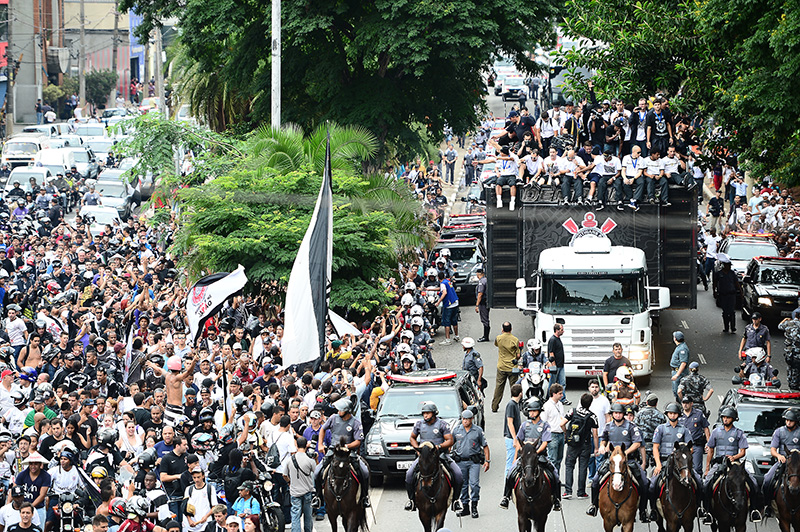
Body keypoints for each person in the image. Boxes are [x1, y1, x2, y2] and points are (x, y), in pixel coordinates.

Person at [585, 403, 650, 523]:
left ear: (623, 414)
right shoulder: (608, 426)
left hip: (628, 460)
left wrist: (624, 453)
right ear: (612, 414)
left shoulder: (631, 426)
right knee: (595, 481)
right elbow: (603, 440)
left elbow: (637, 443)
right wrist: (602, 446)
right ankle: (594, 506)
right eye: (615, 413)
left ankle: (643, 511)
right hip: (612, 461)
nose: (618, 415)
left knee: (644, 482)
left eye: (620, 413)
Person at [702, 406, 762, 524]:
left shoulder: (738, 433)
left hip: (734, 463)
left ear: (733, 419)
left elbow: (743, 452)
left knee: (753, 483)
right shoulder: (716, 432)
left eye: (728, 417)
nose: (725, 419)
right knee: (706, 485)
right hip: (719, 463)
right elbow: (711, 450)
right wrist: (708, 468)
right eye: (724, 417)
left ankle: (754, 510)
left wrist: (734, 458)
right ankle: (707, 511)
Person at [499, 399, 561, 511]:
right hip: (524, 456)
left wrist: (534, 453)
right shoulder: (524, 425)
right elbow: (518, 441)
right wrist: (515, 459)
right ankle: (506, 497)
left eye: (534, 411)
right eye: (530, 411)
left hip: (539, 455)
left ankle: (556, 499)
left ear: (539, 412)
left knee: (554, 474)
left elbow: (545, 442)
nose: (531, 413)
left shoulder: (545, 425)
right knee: (510, 473)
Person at [403, 402, 463, 513]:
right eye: (424, 413)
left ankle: (456, 501)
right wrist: (417, 448)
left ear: (434, 413)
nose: (425, 415)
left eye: (428, 413)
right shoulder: (419, 424)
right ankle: (411, 500)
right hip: (424, 457)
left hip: (440, 455)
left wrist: (439, 446)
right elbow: (412, 437)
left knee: (458, 474)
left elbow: (450, 440)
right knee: (409, 474)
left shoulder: (442, 424)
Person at [311, 398, 370, 510]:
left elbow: (358, 441)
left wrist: (346, 446)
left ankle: (364, 497)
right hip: (333, 450)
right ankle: (318, 497)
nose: (338, 412)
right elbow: (323, 429)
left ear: (347, 411)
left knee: (365, 472)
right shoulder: (333, 418)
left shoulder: (356, 423)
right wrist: (320, 444)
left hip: (348, 452)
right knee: (317, 472)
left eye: (340, 410)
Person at [647, 403, 702, 521]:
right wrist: (658, 464)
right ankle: (653, 510)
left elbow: (690, 448)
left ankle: (699, 508)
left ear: (678, 415)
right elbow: (655, 447)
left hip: (681, 463)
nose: (672, 415)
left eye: (675, 413)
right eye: (670, 413)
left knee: (699, 482)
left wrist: (682, 449)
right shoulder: (660, 428)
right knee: (652, 485)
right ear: (667, 414)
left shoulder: (684, 430)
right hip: (664, 462)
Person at [452, 409, 490, 518]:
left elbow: (485, 446)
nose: (465, 421)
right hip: (460, 462)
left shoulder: (477, 431)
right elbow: (450, 443)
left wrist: (487, 461)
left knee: (474, 484)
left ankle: (474, 507)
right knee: (463, 485)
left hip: (474, 462)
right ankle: (465, 507)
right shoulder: (456, 430)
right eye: (463, 419)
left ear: (471, 419)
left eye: (467, 419)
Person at [762, 409, 800, 517]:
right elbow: (773, 449)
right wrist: (779, 456)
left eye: (791, 421)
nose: (788, 422)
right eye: (787, 420)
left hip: (797, 463)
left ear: (796, 421)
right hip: (783, 461)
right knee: (767, 479)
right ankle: (768, 505)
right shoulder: (779, 432)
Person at [562, 393, 599, 500]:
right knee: (583, 468)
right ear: (590, 403)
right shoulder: (592, 416)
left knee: (569, 466)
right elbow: (595, 434)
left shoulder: (572, 411)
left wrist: (567, 434)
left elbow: (562, 423)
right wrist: (596, 448)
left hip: (573, 444)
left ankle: (568, 491)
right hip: (585, 444)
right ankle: (581, 492)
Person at [283, 436, 315, 532]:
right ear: (306, 446)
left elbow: (284, 475)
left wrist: (289, 482)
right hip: (308, 492)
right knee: (308, 515)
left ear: (296, 445)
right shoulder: (310, 460)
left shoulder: (289, 460)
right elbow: (316, 472)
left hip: (295, 492)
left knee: (295, 516)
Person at [492, 322, 520, 413]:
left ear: (502, 329)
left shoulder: (498, 338)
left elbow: (496, 344)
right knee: (514, 388)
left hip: (501, 366)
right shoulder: (515, 340)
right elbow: (518, 355)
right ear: (511, 329)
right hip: (512, 367)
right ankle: (516, 406)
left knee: (499, 387)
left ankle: (494, 406)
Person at [679, 396, 710, 475]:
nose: (685, 405)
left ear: (691, 403)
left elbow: (706, 428)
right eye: (683, 403)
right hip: (683, 447)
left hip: (696, 445)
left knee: (696, 468)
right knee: (682, 467)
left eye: (687, 403)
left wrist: (709, 444)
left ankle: (699, 486)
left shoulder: (698, 414)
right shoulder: (678, 415)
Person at [635, 393, 666, 468]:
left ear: (647, 402)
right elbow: (663, 431)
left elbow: (635, 428)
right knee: (657, 468)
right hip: (655, 445)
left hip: (642, 445)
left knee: (641, 468)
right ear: (656, 403)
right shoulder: (661, 416)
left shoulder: (639, 414)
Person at [713, 254, 741, 334]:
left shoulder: (732, 274)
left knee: (732, 311)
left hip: (731, 294)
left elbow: (736, 283)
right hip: (723, 295)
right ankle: (726, 327)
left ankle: (733, 327)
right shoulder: (719, 274)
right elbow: (715, 283)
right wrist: (714, 291)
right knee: (725, 312)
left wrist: (740, 292)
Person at [543, 384, 566, 473]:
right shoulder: (547, 406)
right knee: (552, 460)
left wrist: (565, 433)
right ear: (554, 394)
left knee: (559, 459)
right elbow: (544, 422)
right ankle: (552, 479)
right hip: (552, 435)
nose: (562, 395)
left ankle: (557, 478)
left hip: (561, 434)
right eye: (560, 393)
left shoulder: (560, 404)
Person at [503, 384, 523, 478]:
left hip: (514, 438)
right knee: (511, 462)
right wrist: (515, 438)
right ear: (520, 393)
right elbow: (510, 423)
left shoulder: (515, 404)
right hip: (511, 438)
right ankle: (507, 485)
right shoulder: (511, 405)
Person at [547, 324, 569, 405]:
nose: (563, 331)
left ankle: (562, 399)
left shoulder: (558, 339)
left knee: (562, 383)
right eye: (562, 329)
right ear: (557, 330)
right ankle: (550, 398)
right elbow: (551, 353)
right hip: (556, 366)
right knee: (552, 383)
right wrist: (554, 366)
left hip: (561, 365)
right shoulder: (553, 340)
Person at [436, 271, 460, 345]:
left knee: (446, 321)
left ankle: (447, 339)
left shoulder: (442, 283)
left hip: (449, 304)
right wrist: (429, 289)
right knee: (454, 320)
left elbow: (444, 292)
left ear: (438, 278)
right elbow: (442, 289)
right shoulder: (447, 282)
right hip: (455, 302)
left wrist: (438, 302)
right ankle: (456, 336)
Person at [669, 331, 690, 401]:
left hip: (680, 372)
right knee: (676, 391)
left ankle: (682, 405)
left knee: (679, 391)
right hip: (676, 371)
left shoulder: (682, 349)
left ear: (675, 339)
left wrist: (677, 375)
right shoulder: (680, 347)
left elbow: (683, 363)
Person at [474, 267, 490, 342]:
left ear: (478, 274)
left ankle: (485, 336)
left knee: (484, 319)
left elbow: (480, 294)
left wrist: (477, 305)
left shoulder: (481, 282)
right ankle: (486, 336)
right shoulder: (485, 280)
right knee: (486, 318)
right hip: (486, 302)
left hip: (483, 303)